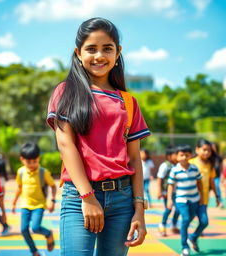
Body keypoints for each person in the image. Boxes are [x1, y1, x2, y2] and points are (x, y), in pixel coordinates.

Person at [47, 17, 151, 256]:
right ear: (78, 53)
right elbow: (66, 145)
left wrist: (139, 210)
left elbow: (134, 160)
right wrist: (88, 197)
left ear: (118, 53)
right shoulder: (65, 92)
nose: (99, 56)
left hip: (123, 201)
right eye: (91, 49)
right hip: (78, 198)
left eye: (107, 48)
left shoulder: (129, 102)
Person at [11, 142, 57, 256]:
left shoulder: (43, 172)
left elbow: (53, 186)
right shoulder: (20, 172)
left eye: (34, 161)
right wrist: (14, 202)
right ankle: (34, 251)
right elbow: (19, 187)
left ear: (39, 158)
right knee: (24, 230)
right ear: (22, 159)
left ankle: (48, 234)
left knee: (36, 227)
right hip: (25, 205)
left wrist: (52, 200)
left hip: (39, 205)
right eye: (28, 162)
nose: (31, 164)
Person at [167, 145, 203, 256]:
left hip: (194, 199)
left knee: (190, 218)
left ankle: (189, 238)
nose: (184, 157)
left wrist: (201, 195)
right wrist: (169, 199)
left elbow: (199, 182)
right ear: (177, 157)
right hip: (181, 199)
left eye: (187, 155)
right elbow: (170, 185)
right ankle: (185, 246)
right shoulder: (175, 170)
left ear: (191, 156)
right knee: (186, 219)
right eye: (181, 155)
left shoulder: (194, 168)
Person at [188, 139, 220, 253]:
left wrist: (217, 196)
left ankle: (193, 237)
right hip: (190, 198)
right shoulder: (190, 162)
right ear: (197, 149)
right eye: (204, 150)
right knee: (187, 220)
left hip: (204, 199)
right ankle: (184, 245)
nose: (206, 153)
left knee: (204, 221)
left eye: (209, 151)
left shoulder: (210, 165)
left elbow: (212, 181)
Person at [157, 145, 180, 236]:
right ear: (169, 156)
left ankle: (174, 225)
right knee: (169, 208)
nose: (178, 156)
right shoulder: (165, 165)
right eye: (176, 154)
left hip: (178, 192)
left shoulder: (178, 165)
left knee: (178, 209)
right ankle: (162, 225)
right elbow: (160, 178)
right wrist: (160, 191)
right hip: (167, 192)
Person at [211, 142, 224, 208]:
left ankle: (220, 201)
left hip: (216, 176)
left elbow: (222, 168)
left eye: (214, 147)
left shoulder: (219, 157)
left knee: (217, 187)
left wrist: (222, 176)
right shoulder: (208, 157)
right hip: (208, 177)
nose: (213, 149)